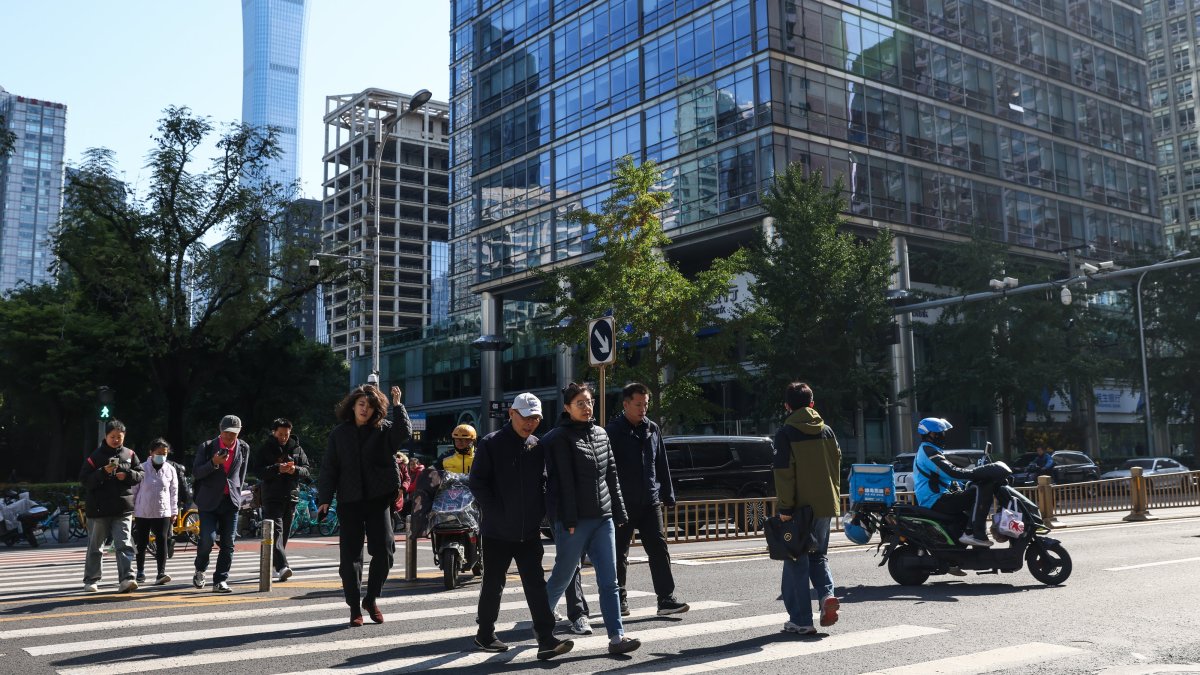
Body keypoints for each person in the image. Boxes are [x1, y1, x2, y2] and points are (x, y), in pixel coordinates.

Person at [468, 392, 573, 660]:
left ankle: (546, 639)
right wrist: (496, 512)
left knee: (536, 584)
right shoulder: (490, 443)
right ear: (512, 414)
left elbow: (544, 481)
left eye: (536, 418)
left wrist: (541, 514)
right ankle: (485, 634)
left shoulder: (537, 445)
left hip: (528, 531)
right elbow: (478, 483)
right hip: (497, 531)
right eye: (526, 418)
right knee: (493, 583)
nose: (531, 423)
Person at [543, 382, 641, 655]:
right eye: (580, 404)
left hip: (603, 517)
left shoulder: (601, 434)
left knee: (609, 581)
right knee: (562, 577)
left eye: (589, 402)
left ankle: (617, 637)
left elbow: (612, 475)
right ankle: (541, 625)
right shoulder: (559, 438)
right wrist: (569, 520)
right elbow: (563, 483)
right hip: (573, 520)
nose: (587, 408)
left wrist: (619, 512)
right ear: (567, 408)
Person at [320, 384, 412, 627]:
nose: (365, 409)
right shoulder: (339, 434)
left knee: (384, 551)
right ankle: (354, 607)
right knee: (350, 557)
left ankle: (371, 599)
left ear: (376, 410)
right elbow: (329, 468)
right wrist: (325, 499)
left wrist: (398, 405)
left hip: (378, 499)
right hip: (349, 500)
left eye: (370, 406)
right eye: (361, 404)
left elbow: (404, 433)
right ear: (353, 405)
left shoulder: (384, 430)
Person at [606, 382, 688, 618]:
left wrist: (668, 494)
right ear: (626, 404)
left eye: (646, 404)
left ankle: (665, 599)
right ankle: (619, 599)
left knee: (659, 550)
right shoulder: (613, 431)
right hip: (622, 502)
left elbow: (660, 463)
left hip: (650, 500)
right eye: (638, 404)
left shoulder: (652, 428)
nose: (643, 409)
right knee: (619, 552)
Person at [772, 382, 841, 635]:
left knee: (795, 560)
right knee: (818, 555)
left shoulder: (786, 433)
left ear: (787, 406)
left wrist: (785, 507)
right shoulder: (828, 431)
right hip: (825, 504)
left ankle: (801, 620)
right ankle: (826, 597)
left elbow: (783, 474)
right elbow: (837, 464)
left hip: (799, 507)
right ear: (812, 404)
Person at [913, 417, 1007, 548]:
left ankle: (954, 563)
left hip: (937, 498)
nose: (943, 436)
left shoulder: (931, 451)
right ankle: (974, 533)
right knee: (981, 490)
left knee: (966, 508)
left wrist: (970, 479)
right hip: (935, 500)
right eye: (940, 433)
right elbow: (952, 472)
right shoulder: (928, 451)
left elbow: (949, 477)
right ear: (931, 435)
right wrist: (981, 471)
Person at [79, 420, 144, 593]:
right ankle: (91, 580)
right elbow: (85, 481)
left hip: (123, 508)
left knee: (124, 544)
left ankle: (127, 578)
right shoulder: (95, 456)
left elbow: (140, 474)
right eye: (112, 436)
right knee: (96, 547)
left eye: (119, 437)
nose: (116, 440)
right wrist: (103, 472)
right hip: (99, 509)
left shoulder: (130, 454)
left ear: (124, 436)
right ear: (105, 436)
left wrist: (128, 474)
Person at [192, 414, 251, 593]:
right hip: (208, 501)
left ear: (239, 433)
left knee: (228, 543)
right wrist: (213, 463)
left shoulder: (243, 448)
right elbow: (196, 472)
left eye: (233, 434)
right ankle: (200, 570)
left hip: (230, 501)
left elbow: (241, 474)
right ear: (220, 430)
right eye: (226, 433)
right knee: (207, 541)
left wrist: (237, 494)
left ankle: (220, 580)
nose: (229, 437)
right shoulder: (207, 447)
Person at [256, 418, 310, 582]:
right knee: (277, 531)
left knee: (284, 534)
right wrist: (277, 468)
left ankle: (275, 566)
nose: (284, 437)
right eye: (280, 434)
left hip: (292, 496)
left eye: (286, 434)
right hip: (271, 496)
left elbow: (307, 470)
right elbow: (258, 471)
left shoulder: (297, 448)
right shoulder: (265, 448)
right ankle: (283, 566)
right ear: (274, 432)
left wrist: (294, 470)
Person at [131, 438, 179, 585]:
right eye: (159, 453)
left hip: (163, 511)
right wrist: (132, 509)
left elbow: (173, 491)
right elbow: (134, 490)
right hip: (143, 511)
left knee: (162, 540)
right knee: (142, 542)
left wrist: (174, 511)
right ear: (151, 453)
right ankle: (140, 572)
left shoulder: (170, 469)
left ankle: (161, 573)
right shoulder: (141, 468)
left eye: (164, 453)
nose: (162, 456)